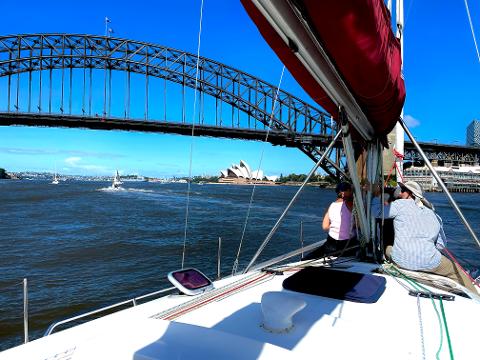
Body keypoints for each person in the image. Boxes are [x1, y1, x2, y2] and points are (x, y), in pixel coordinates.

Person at [374, 180, 477, 293]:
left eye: (403, 190)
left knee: (388, 248)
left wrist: (376, 194)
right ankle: (475, 296)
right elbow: (440, 245)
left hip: (401, 261)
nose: (399, 193)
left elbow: (376, 212)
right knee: (457, 272)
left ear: (411, 194)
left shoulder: (401, 204)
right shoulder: (433, 214)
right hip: (430, 262)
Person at [304, 182, 357, 260]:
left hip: (331, 244)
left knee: (313, 256)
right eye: (351, 191)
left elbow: (325, 227)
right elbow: (359, 224)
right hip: (347, 245)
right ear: (345, 192)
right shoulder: (350, 204)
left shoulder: (331, 205)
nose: (352, 193)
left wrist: (337, 226)